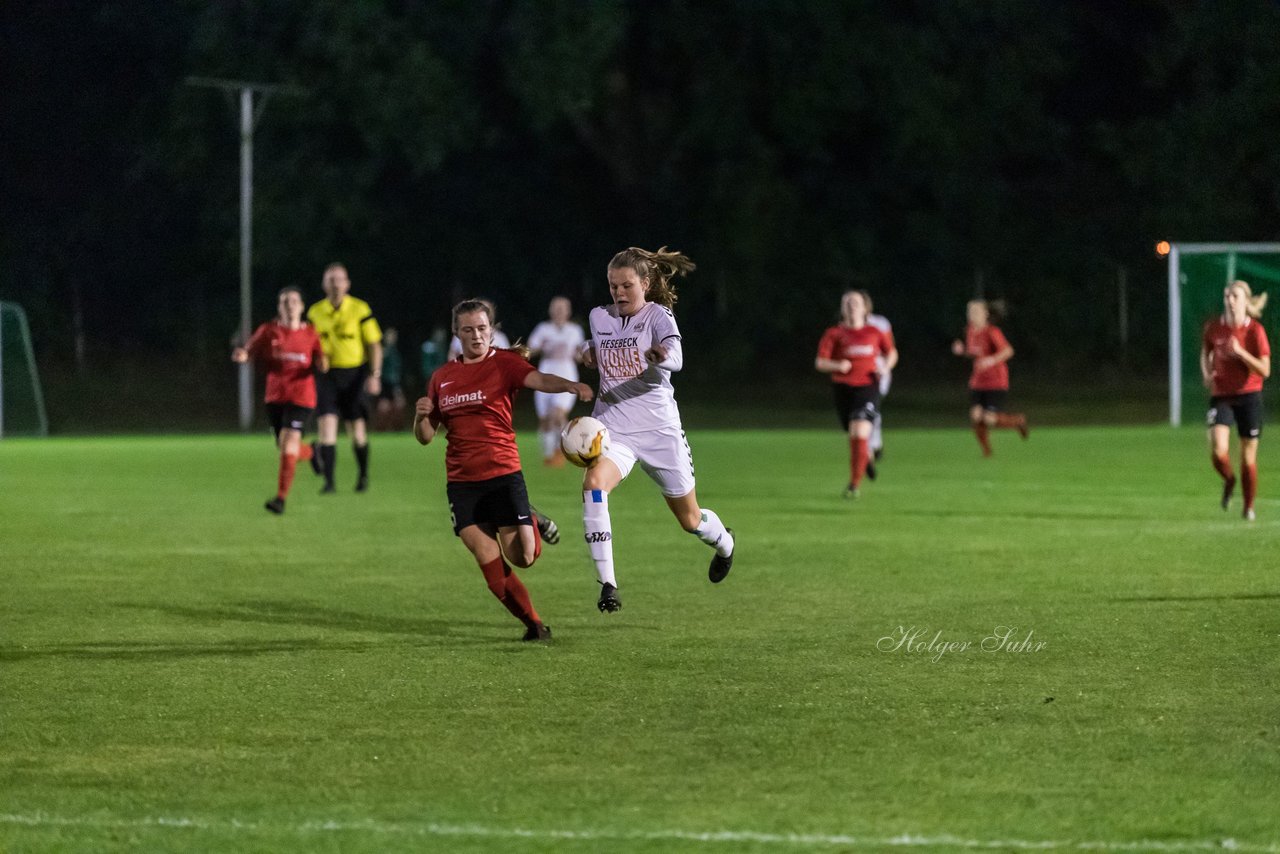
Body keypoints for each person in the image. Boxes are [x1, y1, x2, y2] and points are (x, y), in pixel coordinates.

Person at [414, 299, 593, 641]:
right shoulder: (442, 378)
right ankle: (535, 626)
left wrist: (570, 385)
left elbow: (538, 379)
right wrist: (422, 416)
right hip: (463, 484)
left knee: (524, 557)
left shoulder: (504, 364)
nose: (476, 336)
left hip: (502, 475)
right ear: (457, 334)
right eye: (468, 330)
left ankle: (531, 517)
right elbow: (425, 438)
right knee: (490, 566)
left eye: (482, 329)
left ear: (491, 331)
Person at [578, 246, 737, 614]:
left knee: (690, 520)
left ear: (645, 284)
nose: (619, 292)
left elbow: (676, 356)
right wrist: (588, 348)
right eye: (613, 285)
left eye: (627, 285)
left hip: (659, 431)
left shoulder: (658, 316)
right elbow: (603, 345)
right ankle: (608, 584)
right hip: (613, 428)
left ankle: (725, 543)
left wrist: (661, 356)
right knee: (593, 486)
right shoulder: (598, 317)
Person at [231, 286, 327, 514]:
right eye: (285, 301)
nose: (290, 305)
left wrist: (322, 363)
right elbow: (249, 350)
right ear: (279, 307)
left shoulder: (311, 333)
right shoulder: (269, 331)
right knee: (285, 446)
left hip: (302, 397)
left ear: (302, 307)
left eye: (294, 301)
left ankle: (281, 499)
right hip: (275, 397)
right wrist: (243, 355)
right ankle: (312, 452)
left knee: (288, 442)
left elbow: (320, 358)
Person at [815, 290, 899, 498]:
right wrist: (837, 364)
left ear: (865, 308)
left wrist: (886, 367)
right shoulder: (834, 334)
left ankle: (853, 485)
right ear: (843, 309)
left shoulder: (874, 332)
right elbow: (820, 362)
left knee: (860, 430)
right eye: (847, 302)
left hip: (868, 387)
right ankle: (866, 457)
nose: (852, 305)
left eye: (856, 302)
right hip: (843, 389)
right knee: (853, 434)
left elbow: (892, 353)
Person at [307, 263, 383, 493]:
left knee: (357, 431)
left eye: (339, 279)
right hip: (327, 376)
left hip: (354, 375)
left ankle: (363, 476)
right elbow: (308, 344)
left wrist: (374, 375)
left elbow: (374, 344)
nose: (335, 284)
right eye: (331, 280)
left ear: (347, 283)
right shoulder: (315, 312)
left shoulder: (359, 309)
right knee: (327, 428)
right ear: (324, 284)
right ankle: (329, 483)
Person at [1201, 279, 1271, 521]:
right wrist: (1206, 371)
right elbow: (1206, 350)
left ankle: (1248, 508)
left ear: (1245, 302)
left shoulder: (1255, 331)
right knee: (1219, 450)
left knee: (1247, 457)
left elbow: (1265, 370)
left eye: (1235, 297)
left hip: (1249, 396)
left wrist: (1241, 353)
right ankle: (1229, 480)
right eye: (1227, 296)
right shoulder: (1214, 328)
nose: (1230, 301)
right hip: (1222, 396)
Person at [951, 299, 1028, 457]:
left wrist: (991, 360)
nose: (972, 315)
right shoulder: (970, 331)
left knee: (989, 419)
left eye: (976, 312)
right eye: (970, 312)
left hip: (996, 382)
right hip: (978, 382)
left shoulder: (992, 332)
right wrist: (962, 351)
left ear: (985, 314)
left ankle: (1018, 421)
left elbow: (1008, 351)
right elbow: (975, 353)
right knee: (976, 416)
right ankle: (987, 451)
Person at [528, 296, 587, 466]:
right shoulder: (543, 329)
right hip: (545, 374)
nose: (559, 312)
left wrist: (582, 355)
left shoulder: (574, 330)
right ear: (551, 310)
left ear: (568, 311)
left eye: (562, 308)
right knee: (545, 419)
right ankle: (548, 456)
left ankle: (559, 451)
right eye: (556, 308)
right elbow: (530, 350)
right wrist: (542, 347)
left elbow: (579, 356)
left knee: (558, 414)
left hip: (567, 374)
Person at [866, 301, 894, 476]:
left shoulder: (880, 323)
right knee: (864, 411)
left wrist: (884, 367)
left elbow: (889, 348)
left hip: (878, 372)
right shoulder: (845, 326)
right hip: (856, 375)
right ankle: (874, 446)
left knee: (871, 408)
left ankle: (872, 446)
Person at [373, 327, 406, 431]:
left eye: (394, 336)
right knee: (384, 406)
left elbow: (398, 368)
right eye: (390, 336)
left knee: (399, 404)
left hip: (395, 382)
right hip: (386, 382)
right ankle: (381, 428)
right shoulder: (384, 351)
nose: (392, 338)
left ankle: (397, 427)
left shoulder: (395, 351)